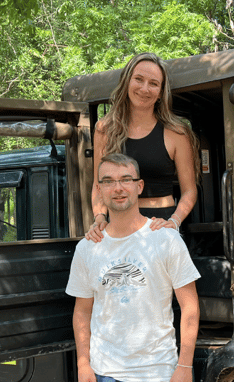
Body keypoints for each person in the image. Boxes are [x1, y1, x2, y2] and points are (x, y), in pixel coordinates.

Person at [67, 153, 200, 382]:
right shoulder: (88, 248)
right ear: (99, 191)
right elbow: (82, 312)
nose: (118, 187)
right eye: (108, 181)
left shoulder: (165, 239)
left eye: (125, 179)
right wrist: (83, 364)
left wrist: (184, 365)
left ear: (139, 186)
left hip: (155, 370)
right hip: (105, 371)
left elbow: (190, 306)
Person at [87, 52, 199, 242]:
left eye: (154, 83)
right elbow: (98, 185)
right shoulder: (104, 130)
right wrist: (99, 218)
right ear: (127, 82)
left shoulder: (177, 133)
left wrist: (173, 222)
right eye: (139, 79)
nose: (144, 88)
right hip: (118, 226)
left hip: (160, 227)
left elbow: (189, 190)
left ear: (161, 92)